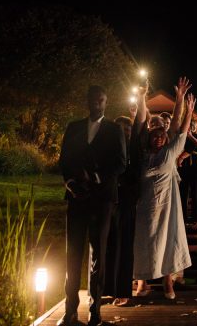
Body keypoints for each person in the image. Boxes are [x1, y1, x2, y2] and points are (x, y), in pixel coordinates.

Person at [57, 85, 127, 326]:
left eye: (101, 100)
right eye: (93, 100)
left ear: (106, 102)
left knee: (99, 254)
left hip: (102, 199)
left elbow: (121, 163)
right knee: (72, 254)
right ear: (87, 101)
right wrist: (70, 183)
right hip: (76, 197)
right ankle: (70, 311)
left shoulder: (114, 130)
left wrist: (97, 177)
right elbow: (64, 159)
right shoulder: (74, 127)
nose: (97, 103)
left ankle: (95, 310)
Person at [133, 77, 194, 300]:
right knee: (144, 240)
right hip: (145, 205)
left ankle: (168, 283)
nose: (158, 138)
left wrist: (182, 103)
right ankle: (142, 283)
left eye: (162, 135)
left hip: (166, 205)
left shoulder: (169, 153)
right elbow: (141, 123)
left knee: (167, 240)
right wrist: (141, 98)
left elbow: (179, 128)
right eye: (154, 135)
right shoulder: (142, 155)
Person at [104, 116, 139, 307]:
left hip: (126, 201)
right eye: (120, 129)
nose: (124, 132)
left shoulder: (134, 150)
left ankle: (123, 291)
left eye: (127, 129)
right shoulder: (107, 150)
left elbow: (136, 177)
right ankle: (106, 289)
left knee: (124, 246)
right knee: (107, 245)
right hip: (107, 201)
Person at [178, 118, 197, 223]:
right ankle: (183, 218)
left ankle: (196, 218)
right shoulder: (181, 135)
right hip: (184, 164)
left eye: (194, 125)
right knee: (183, 191)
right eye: (190, 124)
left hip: (196, 164)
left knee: (196, 191)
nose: (192, 126)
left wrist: (190, 136)